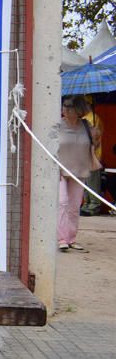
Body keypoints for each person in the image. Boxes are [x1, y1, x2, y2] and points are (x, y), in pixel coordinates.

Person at [57, 95, 100, 252]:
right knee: (62, 202)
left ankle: (71, 238)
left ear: (79, 109)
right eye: (64, 106)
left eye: (68, 106)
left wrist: (96, 136)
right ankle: (61, 238)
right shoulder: (57, 125)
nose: (64, 109)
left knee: (74, 207)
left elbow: (94, 145)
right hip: (60, 171)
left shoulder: (87, 125)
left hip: (79, 170)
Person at [80, 95, 105, 216]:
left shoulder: (94, 118)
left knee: (92, 183)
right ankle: (87, 204)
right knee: (85, 182)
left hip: (93, 156)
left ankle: (94, 206)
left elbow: (94, 139)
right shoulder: (85, 118)